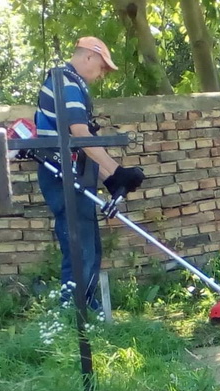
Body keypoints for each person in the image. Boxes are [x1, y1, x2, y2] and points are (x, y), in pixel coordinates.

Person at [34, 36, 145, 308]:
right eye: (103, 67)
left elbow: (80, 149)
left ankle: (86, 309)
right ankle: (74, 313)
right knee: (79, 247)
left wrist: (110, 180)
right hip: (60, 176)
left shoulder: (70, 83)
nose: (103, 74)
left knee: (89, 247)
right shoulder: (66, 83)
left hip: (72, 173)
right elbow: (80, 136)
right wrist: (117, 171)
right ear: (88, 57)